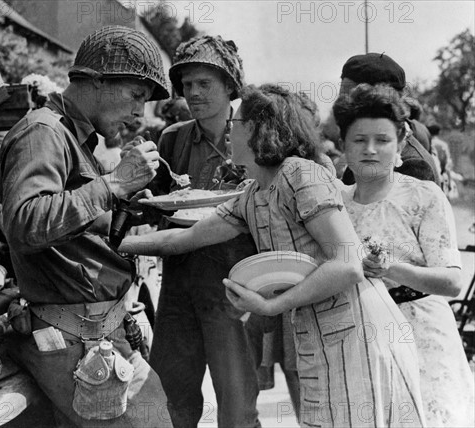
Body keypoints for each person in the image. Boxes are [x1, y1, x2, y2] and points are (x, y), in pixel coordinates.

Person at [121, 84, 426, 427]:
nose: (227, 132)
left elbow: (349, 265)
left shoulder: (300, 174)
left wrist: (270, 306)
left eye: (234, 124)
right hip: (315, 330)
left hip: (357, 327)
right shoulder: (251, 195)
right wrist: (111, 242)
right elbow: (183, 239)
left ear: (253, 129)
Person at [0, 26, 173, 427]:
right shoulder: (42, 132)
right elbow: (24, 223)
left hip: (97, 333)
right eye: (136, 95)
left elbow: (71, 228)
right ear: (95, 81)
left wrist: (127, 203)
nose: (139, 113)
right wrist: (112, 184)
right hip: (76, 338)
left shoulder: (72, 137)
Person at [334, 84, 474, 427]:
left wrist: (390, 268)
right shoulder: (335, 203)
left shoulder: (423, 196)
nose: (370, 149)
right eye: (359, 140)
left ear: (399, 145)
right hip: (361, 336)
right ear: (343, 146)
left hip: (422, 332)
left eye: (382, 140)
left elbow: (453, 281)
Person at [148, 35, 261, 427]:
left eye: (204, 84)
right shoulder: (172, 138)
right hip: (179, 284)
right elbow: (159, 205)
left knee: (237, 404)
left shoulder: (256, 135)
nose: (193, 94)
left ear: (230, 85)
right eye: (187, 85)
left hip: (235, 284)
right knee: (170, 397)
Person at [330, 53, 441, 185]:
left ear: (379, 101)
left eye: (351, 97)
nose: (342, 106)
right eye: (342, 96)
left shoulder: (412, 166)